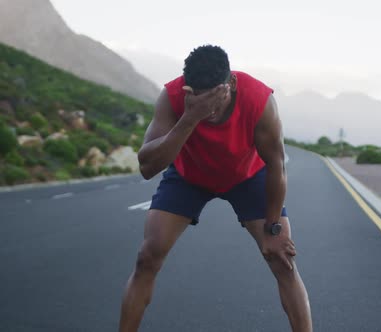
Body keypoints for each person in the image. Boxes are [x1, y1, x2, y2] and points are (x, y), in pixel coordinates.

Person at [118, 45, 312, 332]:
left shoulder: (259, 99)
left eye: (215, 101)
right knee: (147, 256)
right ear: (188, 89)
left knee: (283, 260)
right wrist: (190, 116)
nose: (210, 110)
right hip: (189, 174)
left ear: (231, 83)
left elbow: (276, 166)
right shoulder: (173, 97)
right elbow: (147, 168)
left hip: (247, 175)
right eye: (199, 98)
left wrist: (273, 228)